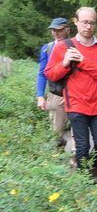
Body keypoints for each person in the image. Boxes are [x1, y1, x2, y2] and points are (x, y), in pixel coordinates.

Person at [44, 7, 97, 182]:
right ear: (76, 22)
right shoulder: (62, 47)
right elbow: (50, 74)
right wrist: (66, 63)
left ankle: (92, 166)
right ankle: (86, 185)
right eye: (85, 22)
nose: (89, 26)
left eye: (92, 22)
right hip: (75, 104)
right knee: (82, 147)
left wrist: (83, 61)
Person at [36, 17, 71, 148]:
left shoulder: (76, 45)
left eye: (59, 30)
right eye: (53, 30)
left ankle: (78, 158)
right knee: (56, 133)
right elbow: (42, 73)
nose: (55, 33)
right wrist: (40, 96)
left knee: (79, 130)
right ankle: (59, 158)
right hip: (57, 94)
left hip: (77, 93)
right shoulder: (47, 48)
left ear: (67, 30)